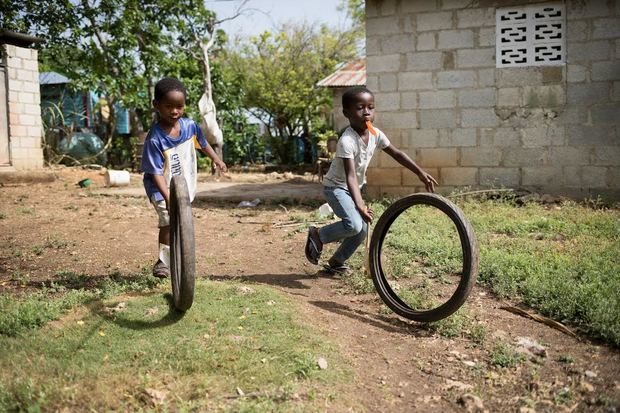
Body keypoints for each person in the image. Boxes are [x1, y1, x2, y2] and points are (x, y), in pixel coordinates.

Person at [305, 86, 438, 274]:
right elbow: (350, 175)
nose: (366, 112)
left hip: (353, 188)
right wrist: (360, 206)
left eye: (370, 107)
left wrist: (419, 172)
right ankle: (318, 235)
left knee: (362, 230)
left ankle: (336, 263)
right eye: (360, 108)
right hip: (336, 187)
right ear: (346, 113)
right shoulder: (347, 141)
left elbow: (397, 154)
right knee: (353, 224)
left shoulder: (375, 134)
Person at [141, 77, 227, 278]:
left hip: (182, 182)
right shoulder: (154, 139)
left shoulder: (190, 126)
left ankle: (181, 253)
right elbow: (155, 173)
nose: (174, 111)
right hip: (159, 185)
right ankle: (163, 261)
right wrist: (167, 197)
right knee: (168, 221)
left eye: (179, 106)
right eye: (168, 106)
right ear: (156, 105)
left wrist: (216, 159)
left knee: (181, 220)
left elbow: (203, 143)